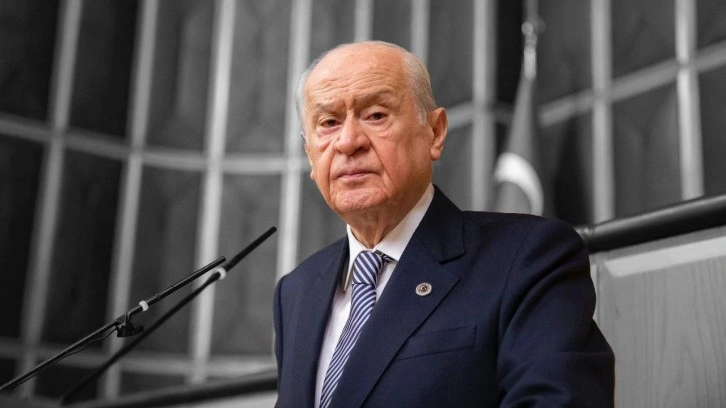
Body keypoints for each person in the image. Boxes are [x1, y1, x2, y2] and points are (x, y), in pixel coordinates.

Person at [273, 40, 614, 407]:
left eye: (376, 115)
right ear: (310, 155)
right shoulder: (296, 292)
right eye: (328, 123)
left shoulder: (528, 257)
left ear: (434, 133)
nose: (348, 141)